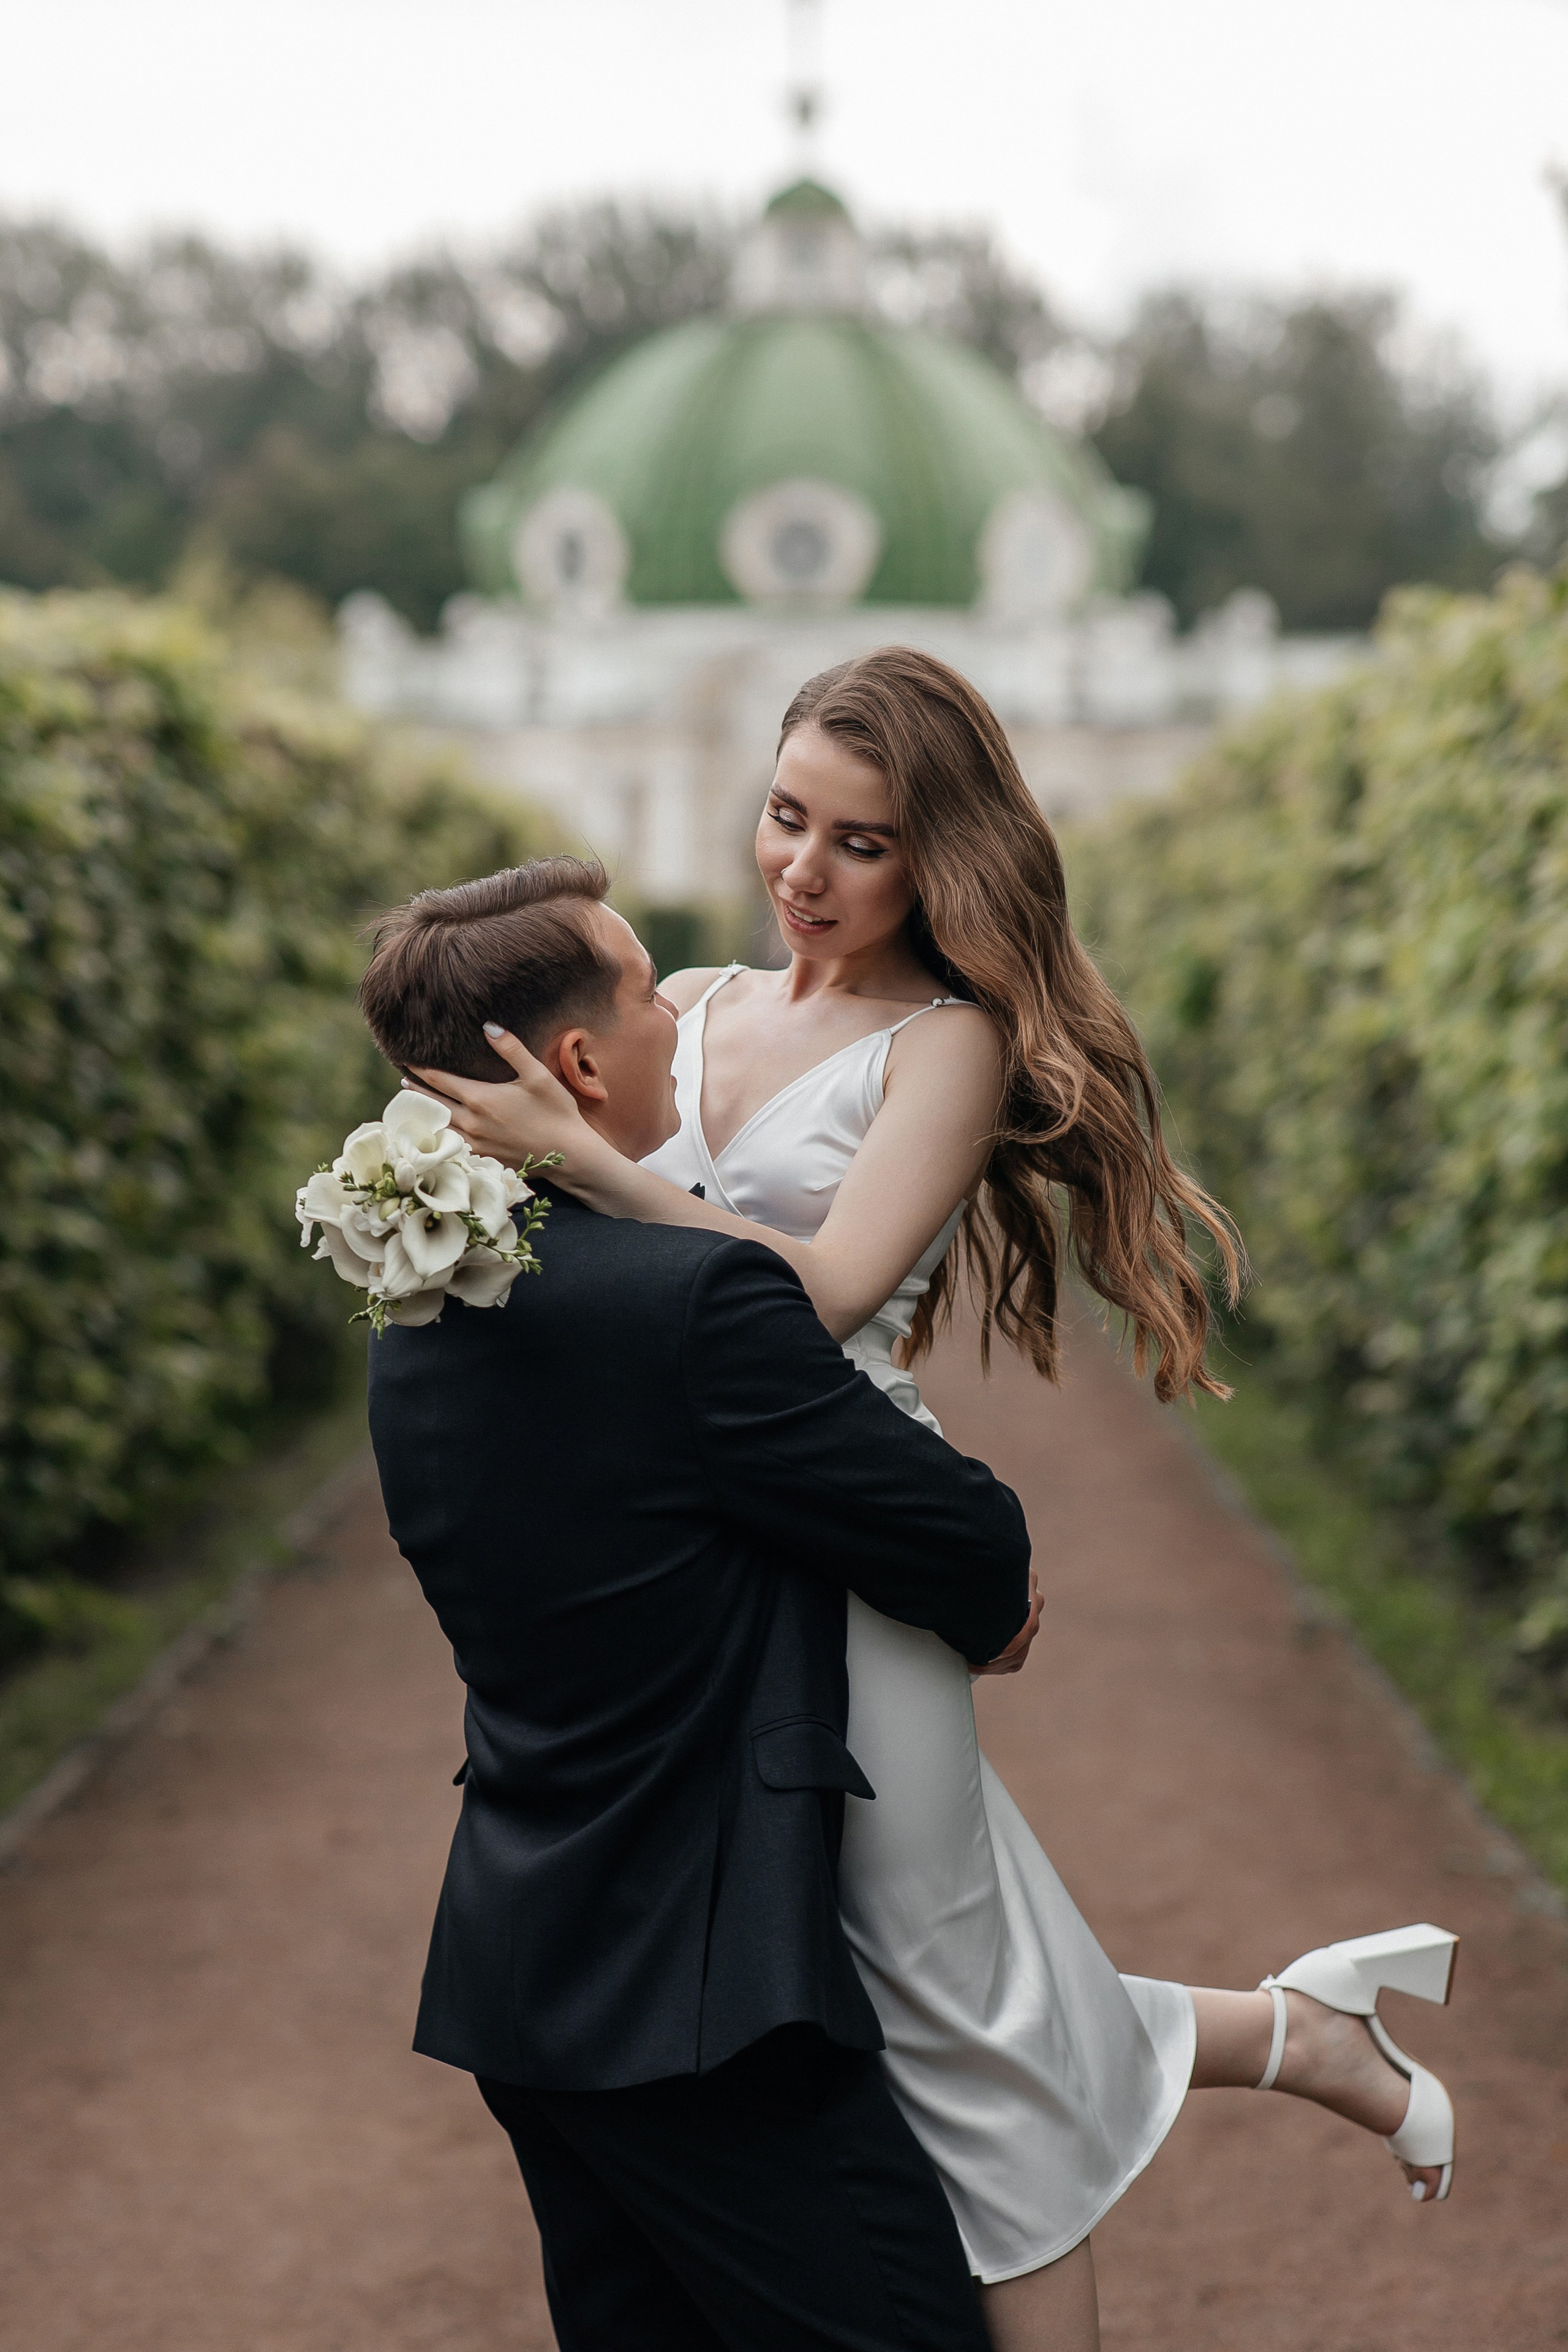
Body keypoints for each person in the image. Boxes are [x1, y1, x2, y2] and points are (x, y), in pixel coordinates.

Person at [409, 649, 1457, 2352]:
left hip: (855, 1538)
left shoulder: (947, 1048)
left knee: (956, 2012)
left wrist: (592, 1170)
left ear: (939, 861)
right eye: (784, 816)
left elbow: (816, 1298)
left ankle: (1292, 2049)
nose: (804, 872)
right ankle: (1293, 2031)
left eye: (864, 843)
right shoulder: (691, 1003)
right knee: (841, 1973)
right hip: (694, 1551)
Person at [359, 859, 1044, 2352]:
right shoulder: (690, 1306)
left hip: (527, 1975)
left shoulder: (417, 1316)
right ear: (584, 1064)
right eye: (642, 988)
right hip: (713, 2001)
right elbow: (973, 1548)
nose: (681, 1013)